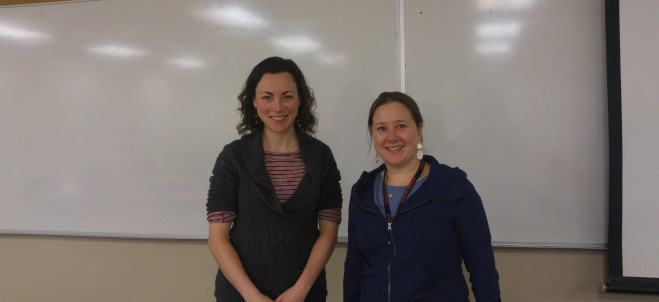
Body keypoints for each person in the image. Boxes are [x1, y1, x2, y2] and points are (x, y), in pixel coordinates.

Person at [206, 57, 342, 302]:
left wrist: (300, 291)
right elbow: (218, 237)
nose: (277, 107)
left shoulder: (321, 156)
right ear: (254, 101)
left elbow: (329, 232)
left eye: (287, 96)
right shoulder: (233, 156)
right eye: (267, 97)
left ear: (300, 99)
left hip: (305, 295)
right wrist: (251, 296)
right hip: (240, 295)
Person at [343, 91, 501, 301]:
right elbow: (354, 267)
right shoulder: (362, 193)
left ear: (419, 129)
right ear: (373, 134)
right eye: (382, 128)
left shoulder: (451, 186)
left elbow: (482, 264)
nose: (392, 136)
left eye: (401, 126)